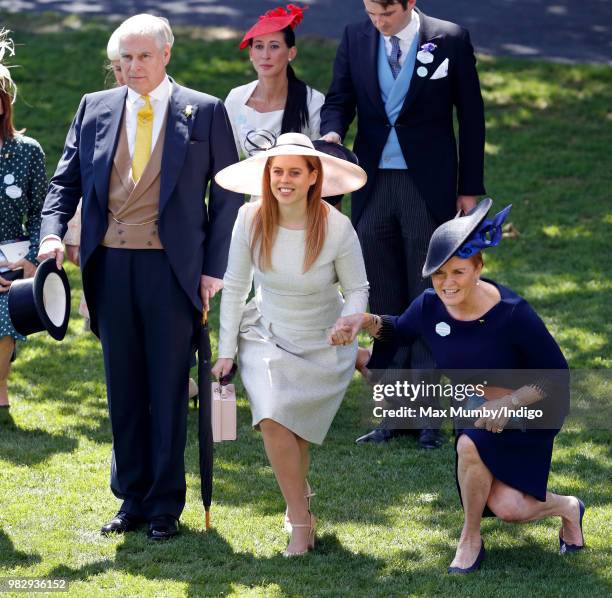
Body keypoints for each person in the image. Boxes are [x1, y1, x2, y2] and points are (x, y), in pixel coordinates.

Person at [37, 14, 242, 540]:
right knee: (123, 385)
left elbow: (226, 201)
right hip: (110, 268)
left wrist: (212, 270)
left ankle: (166, 506)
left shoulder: (205, 111)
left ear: (166, 55)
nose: (132, 67)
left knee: (169, 386)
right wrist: (53, 235)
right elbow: (65, 181)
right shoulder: (94, 108)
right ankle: (131, 499)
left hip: (172, 271)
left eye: (143, 56)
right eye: (124, 58)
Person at [331, 199, 585, 573]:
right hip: (476, 405)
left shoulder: (513, 313)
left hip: (532, 405)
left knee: (511, 509)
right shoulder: (431, 306)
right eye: (439, 275)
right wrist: (364, 321)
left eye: (458, 272)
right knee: (469, 443)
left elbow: (556, 375)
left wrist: (511, 403)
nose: (447, 284)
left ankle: (568, 507)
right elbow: (399, 330)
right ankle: (470, 538)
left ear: (478, 268)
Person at [320, 0, 486, 446]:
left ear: (410, 3)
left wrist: (469, 187)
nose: (378, 22)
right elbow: (339, 99)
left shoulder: (449, 38)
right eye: (372, 13)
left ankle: (430, 420)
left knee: (427, 298)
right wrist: (333, 131)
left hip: (426, 185)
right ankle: (392, 417)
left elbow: (470, 117)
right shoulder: (356, 38)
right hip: (371, 186)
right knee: (385, 297)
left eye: (386, 14)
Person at [212, 132, 369, 556]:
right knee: (273, 418)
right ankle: (301, 521)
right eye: (277, 171)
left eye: (295, 172)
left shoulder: (336, 226)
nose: (285, 180)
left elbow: (357, 288)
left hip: (324, 342)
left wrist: (349, 324)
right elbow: (236, 285)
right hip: (266, 333)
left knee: (296, 434)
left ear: (313, 176)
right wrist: (226, 351)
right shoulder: (249, 218)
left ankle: (299, 502)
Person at [0, 30, 47, 410]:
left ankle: (0, 394)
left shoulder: (27, 152)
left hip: (13, 262)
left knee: (3, 319)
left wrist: (31, 258)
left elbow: (43, 211)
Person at [224, 4, 324, 160]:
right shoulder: (236, 98)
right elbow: (226, 160)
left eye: (274, 46)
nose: (265, 55)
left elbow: (321, 161)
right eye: (258, 46)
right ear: (251, 53)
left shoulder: (313, 101)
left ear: (291, 52)